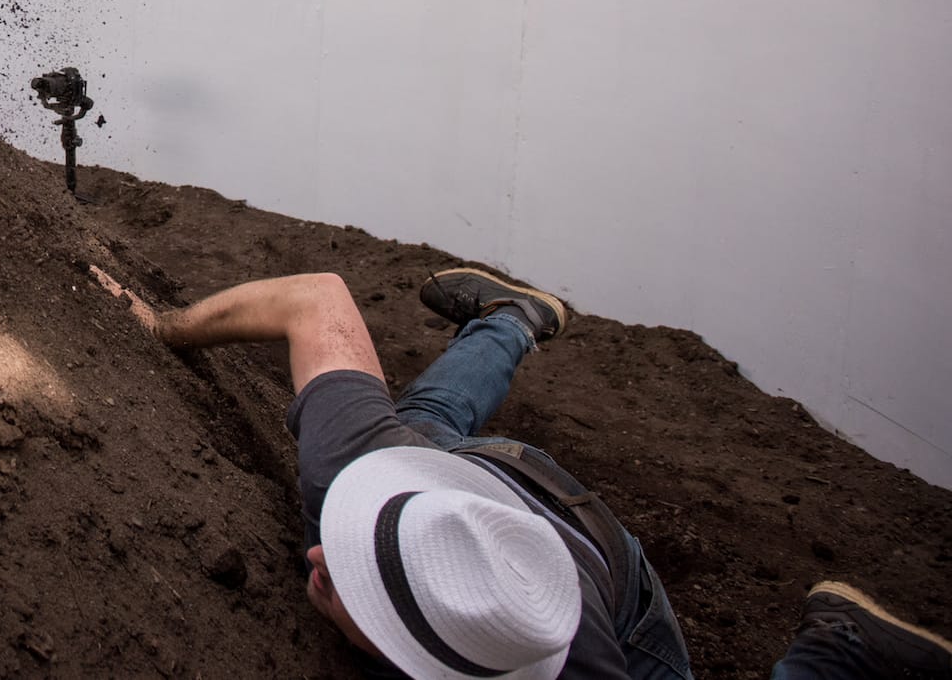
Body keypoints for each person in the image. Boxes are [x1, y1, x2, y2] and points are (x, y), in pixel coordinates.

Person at [88, 263, 951, 680]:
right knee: (422, 429)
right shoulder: (357, 465)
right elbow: (318, 297)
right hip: (474, 486)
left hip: (610, 583)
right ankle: (514, 318)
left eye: (366, 594)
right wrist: (162, 327)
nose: (319, 558)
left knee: (427, 425)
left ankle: (834, 649)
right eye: (357, 548)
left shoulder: (581, 667)